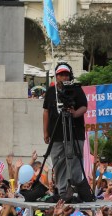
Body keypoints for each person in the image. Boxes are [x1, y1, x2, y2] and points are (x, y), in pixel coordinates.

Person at [42, 63, 92, 203]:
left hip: (74, 132)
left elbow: (84, 106)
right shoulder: (51, 91)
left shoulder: (76, 89)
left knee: (75, 161)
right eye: (60, 75)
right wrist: (45, 131)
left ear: (70, 75)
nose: (63, 77)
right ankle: (62, 191)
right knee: (58, 162)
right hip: (56, 133)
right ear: (56, 76)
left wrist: (75, 113)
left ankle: (76, 191)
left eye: (66, 74)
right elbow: (46, 111)